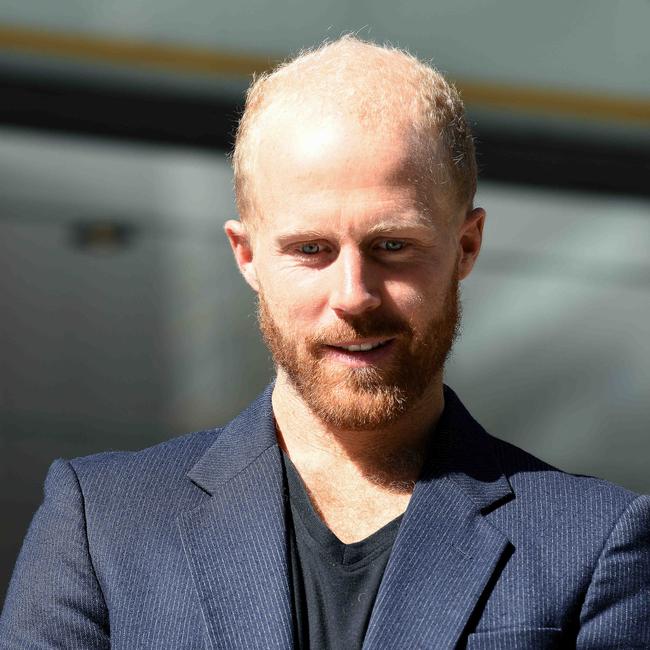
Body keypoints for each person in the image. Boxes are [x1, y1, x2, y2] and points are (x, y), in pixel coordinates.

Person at [1, 36, 649, 650]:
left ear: (467, 247)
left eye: (392, 246)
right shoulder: (104, 527)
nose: (354, 295)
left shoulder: (590, 545)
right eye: (311, 249)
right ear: (247, 255)